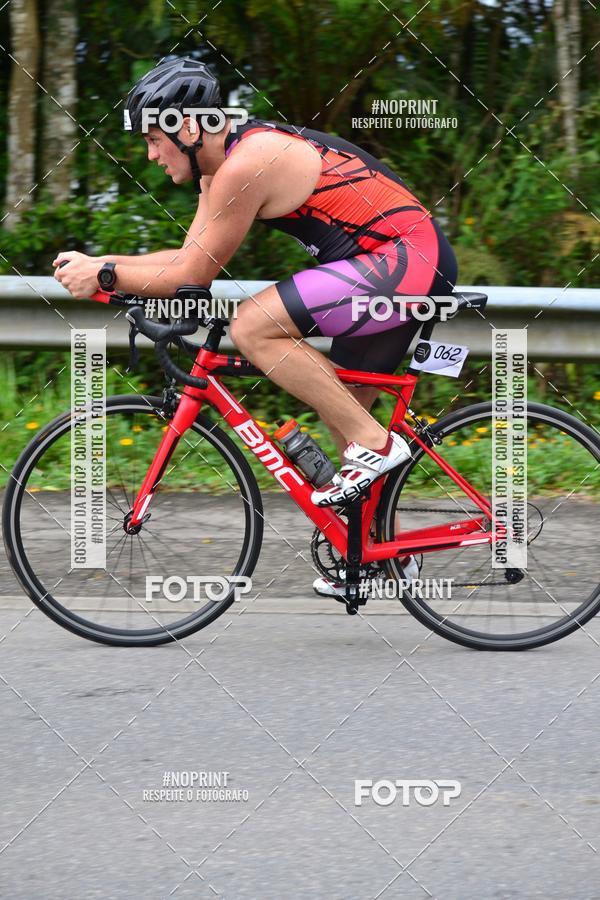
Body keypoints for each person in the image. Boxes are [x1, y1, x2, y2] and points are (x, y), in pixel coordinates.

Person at [54, 57, 457, 596]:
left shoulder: (248, 163)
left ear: (189, 127)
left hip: (406, 259)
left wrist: (104, 273)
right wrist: (107, 265)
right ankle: (381, 558)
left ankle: (376, 447)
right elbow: (187, 256)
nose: (150, 155)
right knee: (343, 413)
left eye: (154, 138)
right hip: (386, 263)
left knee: (255, 327)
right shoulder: (221, 169)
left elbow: (192, 275)